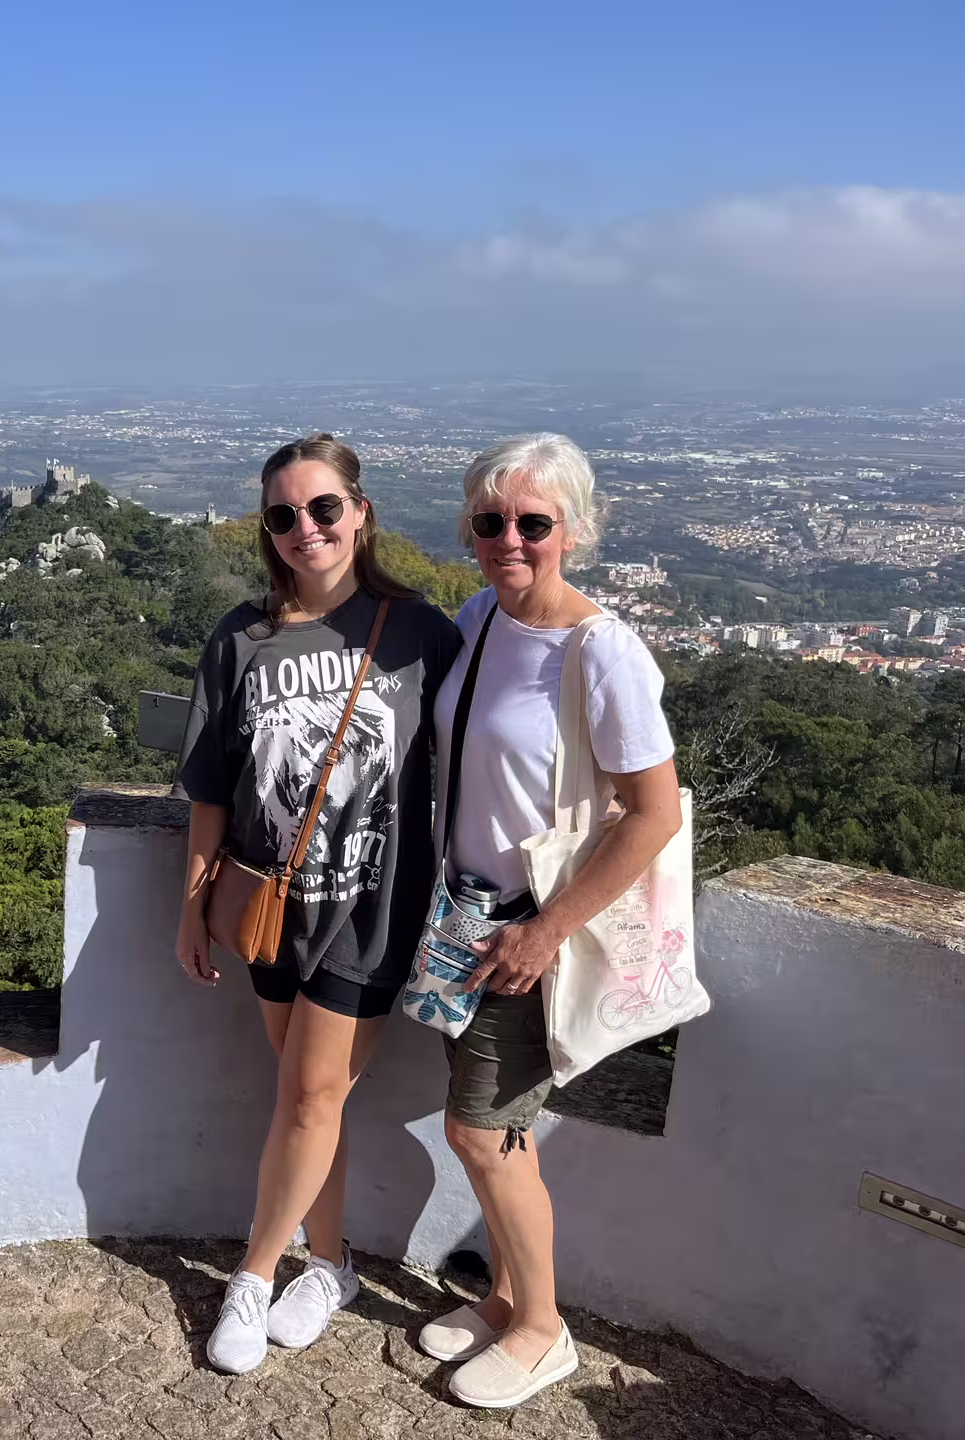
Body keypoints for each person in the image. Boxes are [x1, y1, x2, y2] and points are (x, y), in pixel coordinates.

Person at [174, 434, 462, 1375]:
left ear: (361, 512)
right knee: (316, 1100)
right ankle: (328, 1262)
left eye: (324, 508)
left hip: (375, 911)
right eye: (284, 516)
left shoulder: (421, 632)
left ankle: (254, 1275)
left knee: (307, 1095)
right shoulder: (242, 637)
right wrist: (193, 905)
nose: (307, 529)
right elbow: (212, 785)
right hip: (272, 908)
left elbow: (473, 764)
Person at [421, 433, 682, 1409]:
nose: (510, 539)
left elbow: (653, 813)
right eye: (490, 522)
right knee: (482, 1127)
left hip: (528, 934)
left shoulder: (600, 650)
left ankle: (543, 1328)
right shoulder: (481, 617)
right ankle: (502, 1297)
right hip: (465, 917)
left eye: (534, 522)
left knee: (486, 1133)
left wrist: (548, 931)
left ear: (572, 529)